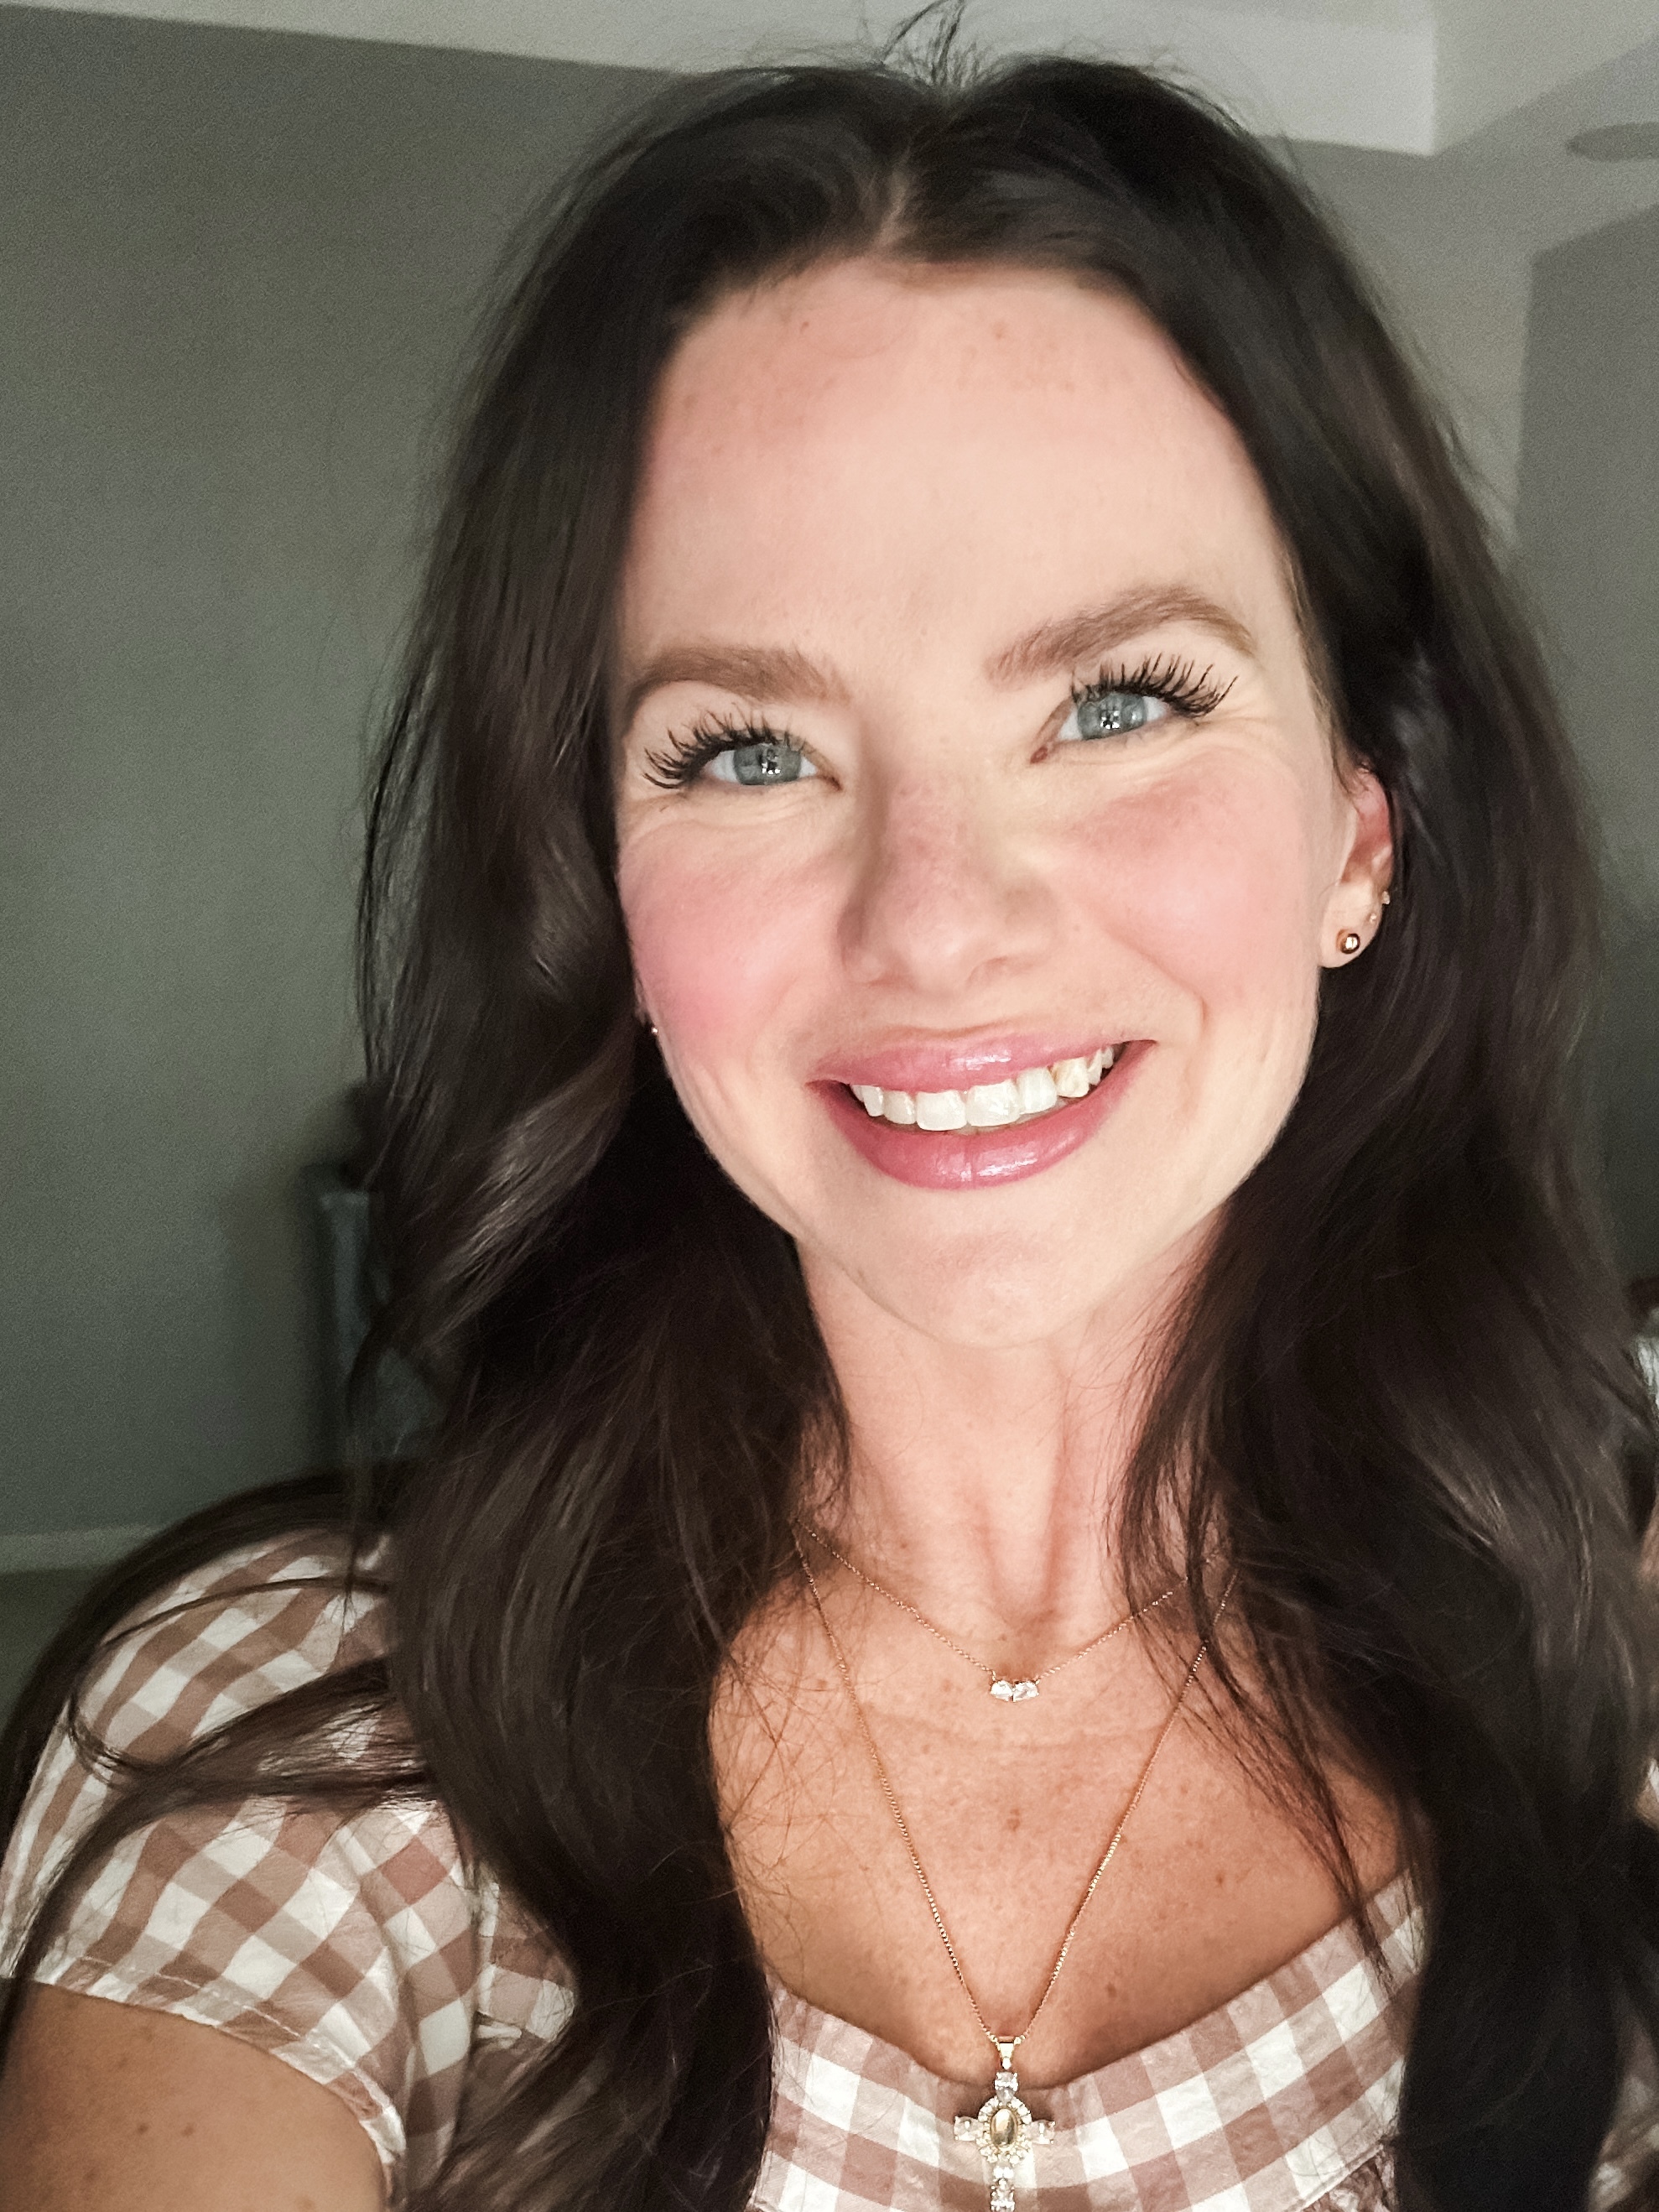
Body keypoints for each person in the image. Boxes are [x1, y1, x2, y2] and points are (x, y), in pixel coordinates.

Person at [2, 29, 1656, 2212]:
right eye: (746, 749)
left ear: (1360, 827)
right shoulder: (295, 1754)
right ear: (600, 880)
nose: (936, 926)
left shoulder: (1594, 1650)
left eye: (1117, 700)